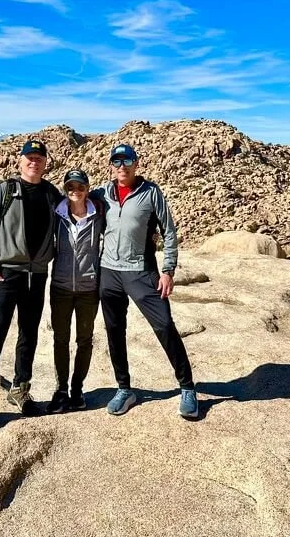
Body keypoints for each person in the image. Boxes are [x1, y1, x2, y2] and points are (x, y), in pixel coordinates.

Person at [94, 143, 199, 419]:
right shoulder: (102, 193)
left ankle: (187, 387)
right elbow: (75, 203)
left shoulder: (151, 193)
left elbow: (169, 232)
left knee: (164, 325)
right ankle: (124, 388)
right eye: (116, 162)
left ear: (136, 163)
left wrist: (168, 270)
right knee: (114, 330)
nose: (122, 167)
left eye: (127, 161)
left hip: (141, 271)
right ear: (111, 166)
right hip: (109, 273)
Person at [0, 139, 61, 430]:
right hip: (6, 274)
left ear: (46, 162)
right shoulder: (6, 190)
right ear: (20, 162)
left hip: (37, 275)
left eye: (39, 158)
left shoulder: (50, 193)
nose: (34, 162)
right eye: (29, 157)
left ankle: (20, 389)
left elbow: (74, 215)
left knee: (29, 334)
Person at [46, 169, 105, 414]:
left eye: (80, 187)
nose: (75, 191)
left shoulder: (98, 214)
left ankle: (77, 389)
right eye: (70, 187)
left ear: (87, 188)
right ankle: (61, 390)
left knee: (84, 340)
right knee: (60, 339)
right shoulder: (56, 214)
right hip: (60, 286)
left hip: (88, 288)